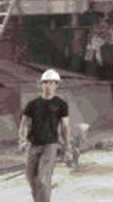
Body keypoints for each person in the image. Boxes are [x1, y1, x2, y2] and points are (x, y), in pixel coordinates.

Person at [18, 69, 72, 202]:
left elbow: (65, 127)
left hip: (50, 145)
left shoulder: (61, 105)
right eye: (46, 82)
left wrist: (67, 147)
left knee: (42, 179)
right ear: (41, 84)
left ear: (56, 85)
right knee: (31, 178)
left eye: (52, 83)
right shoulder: (32, 104)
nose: (48, 85)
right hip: (33, 145)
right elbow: (24, 124)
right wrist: (22, 140)